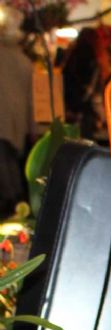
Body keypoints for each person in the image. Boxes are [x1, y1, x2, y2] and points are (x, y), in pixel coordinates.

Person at [0, 7, 33, 217]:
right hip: (16, 124)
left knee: (6, 173)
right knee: (11, 167)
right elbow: (31, 99)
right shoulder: (25, 62)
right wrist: (32, 127)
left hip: (2, 121)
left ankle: (14, 207)